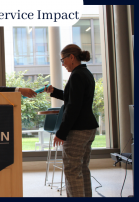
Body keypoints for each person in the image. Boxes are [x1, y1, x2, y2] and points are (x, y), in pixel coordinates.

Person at [44, 44, 99, 197]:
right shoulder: (85, 73)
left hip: (77, 130)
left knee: (72, 171)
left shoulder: (76, 75)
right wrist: (54, 91)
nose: (62, 64)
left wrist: (61, 133)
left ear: (72, 57)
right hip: (89, 129)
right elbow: (73, 98)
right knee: (82, 169)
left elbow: (73, 107)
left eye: (63, 60)